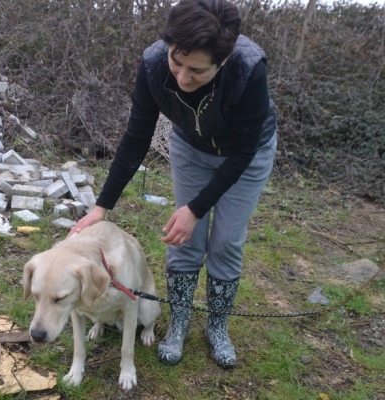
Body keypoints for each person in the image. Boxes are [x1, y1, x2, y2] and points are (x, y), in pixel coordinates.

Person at [68, 0, 277, 369]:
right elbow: (136, 138)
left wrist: (196, 208)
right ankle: (179, 320)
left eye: (196, 71)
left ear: (222, 61)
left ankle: (217, 326)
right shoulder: (152, 64)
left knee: (226, 240)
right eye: (176, 62)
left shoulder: (247, 69)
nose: (182, 78)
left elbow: (243, 153)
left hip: (246, 153)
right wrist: (102, 206)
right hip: (191, 148)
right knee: (184, 239)